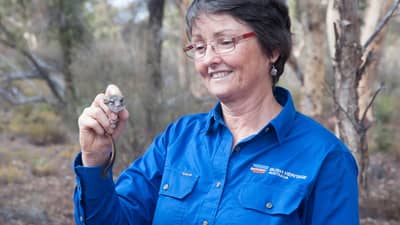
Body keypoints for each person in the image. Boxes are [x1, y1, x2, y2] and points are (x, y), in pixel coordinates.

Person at [73, 0, 360, 224]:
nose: (209, 59)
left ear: (272, 48)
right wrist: (95, 160)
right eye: (199, 46)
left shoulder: (325, 158)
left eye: (225, 42)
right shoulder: (177, 139)